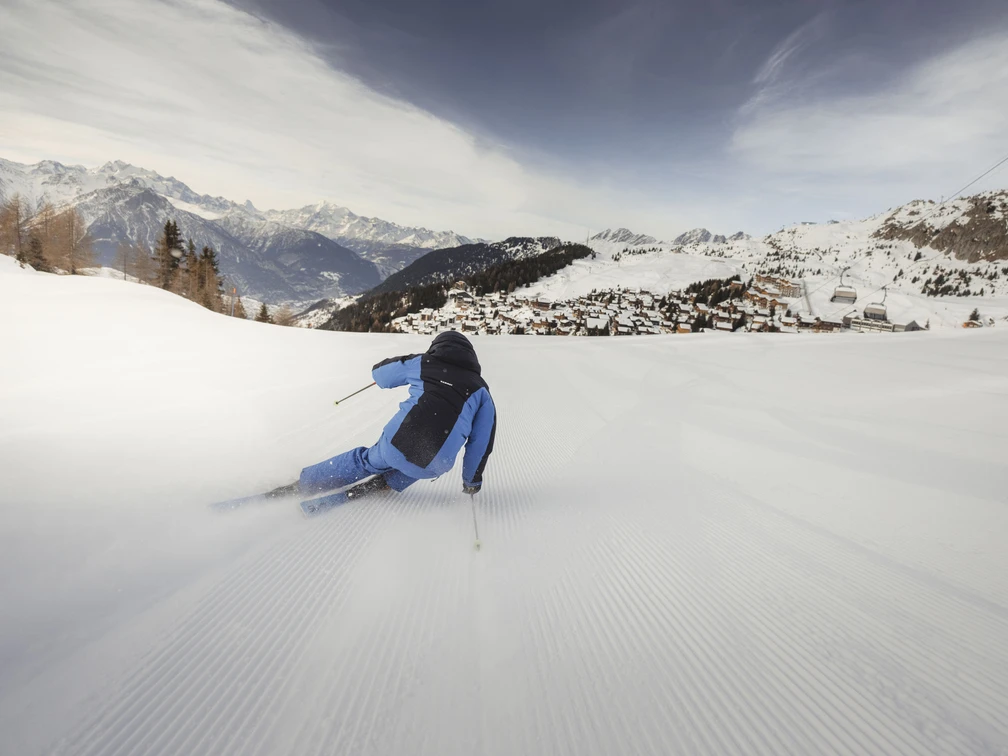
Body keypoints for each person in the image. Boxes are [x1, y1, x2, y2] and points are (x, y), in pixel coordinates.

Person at [299, 331, 496, 501]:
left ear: (437, 347)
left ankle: (308, 482)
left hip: (394, 446)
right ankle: (388, 482)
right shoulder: (481, 391)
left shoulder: (424, 362)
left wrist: (413, 361)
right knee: (430, 453)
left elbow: (380, 375)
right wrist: (472, 482)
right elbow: (480, 445)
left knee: (366, 461)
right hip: (436, 464)